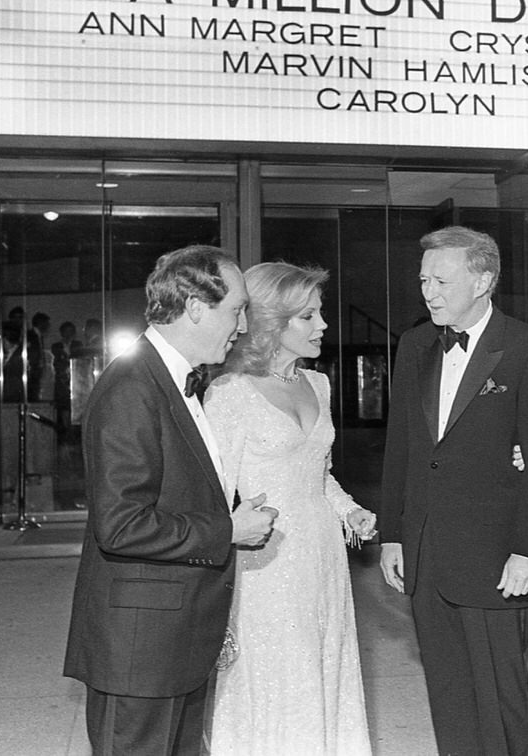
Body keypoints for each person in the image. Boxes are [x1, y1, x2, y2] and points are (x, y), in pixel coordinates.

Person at [63, 245, 278, 756]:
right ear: (196, 308)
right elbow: (120, 525)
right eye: (237, 310)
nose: (243, 326)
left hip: (171, 639)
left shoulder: (170, 380)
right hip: (140, 650)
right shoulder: (131, 388)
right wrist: (228, 531)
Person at [379, 225, 528, 756]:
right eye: (423, 279)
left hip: (495, 555)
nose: (428, 291)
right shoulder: (415, 345)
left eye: (441, 279)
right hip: (425, 549)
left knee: (502, 696)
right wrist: (393, 533)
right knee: (448, 693)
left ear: (483, 280)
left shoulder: (527, 349)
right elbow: (404, 447)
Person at [204, 261, 377, 755]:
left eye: (319, 313)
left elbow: (317, 474)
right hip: (266, 559)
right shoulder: (230, 394)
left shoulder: (317, 384)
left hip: (322, 553)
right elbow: (214, 493)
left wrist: (349, 511)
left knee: (325, 662)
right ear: (270, 323)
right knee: (274, 676)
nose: (323, 325)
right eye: (308, 316)